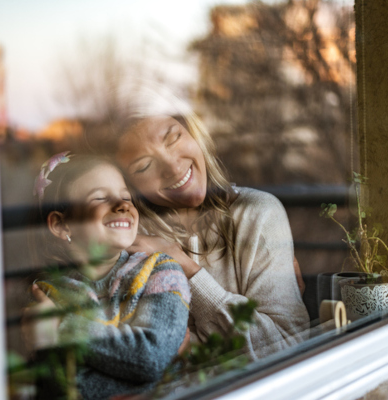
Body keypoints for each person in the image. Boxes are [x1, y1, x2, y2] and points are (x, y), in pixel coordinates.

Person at [101, 84, 309, 360]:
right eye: (144, 166)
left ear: (193, 133)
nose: (173, 167)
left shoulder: (257, 213)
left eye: (173, 138)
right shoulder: (130, 242)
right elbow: (133, 358)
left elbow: (285, 344)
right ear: (130, 185)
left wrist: (186, 268)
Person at [28, 152, 191, 400]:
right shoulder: (49, 294)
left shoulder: (162, 272)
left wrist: (64, 326)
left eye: (126, 197)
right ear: (61, 226)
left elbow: (151, 359)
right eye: (100, 198)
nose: (123, 205)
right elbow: (56, 389)